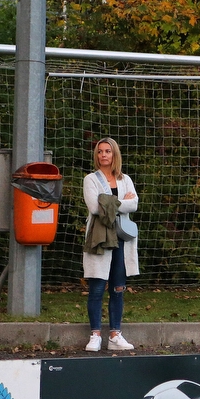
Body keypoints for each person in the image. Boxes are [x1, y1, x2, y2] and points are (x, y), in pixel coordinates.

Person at [82, 137, 139, 351]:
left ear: (114, 154)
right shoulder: (91, 179)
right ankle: (95, 334)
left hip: (121, 239)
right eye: (100, 151)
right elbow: (95, 208)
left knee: (118, 287)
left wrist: (108, 201)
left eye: (107, 151)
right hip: (100, 237)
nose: (103, 155)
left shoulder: (125, 179)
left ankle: (115, 334)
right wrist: (121, 202)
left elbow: (134, 204)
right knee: (97, 287)